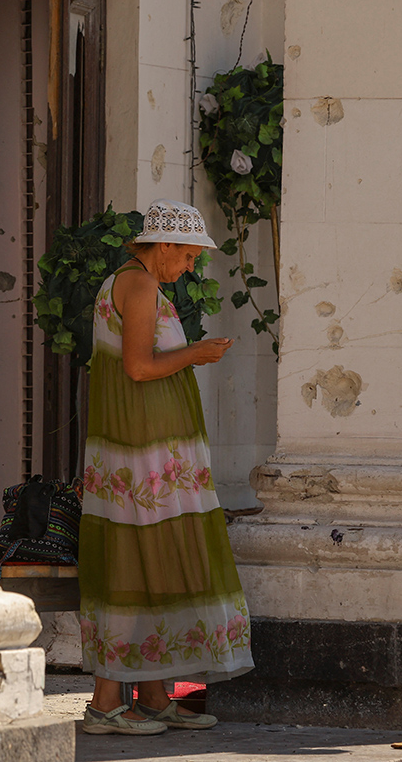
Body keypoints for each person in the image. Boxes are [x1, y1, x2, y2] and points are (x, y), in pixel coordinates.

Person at [78, 199, 254, 736]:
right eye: (189, 255)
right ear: (166, 246)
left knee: (147, 554)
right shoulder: (139, 286)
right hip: (143, 449)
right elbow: (138, 366)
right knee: (144, 552)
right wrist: (195, 354)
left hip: (146, 446)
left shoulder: (133, 283)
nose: (192, 266)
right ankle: (108, 702)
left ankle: (152, 694)